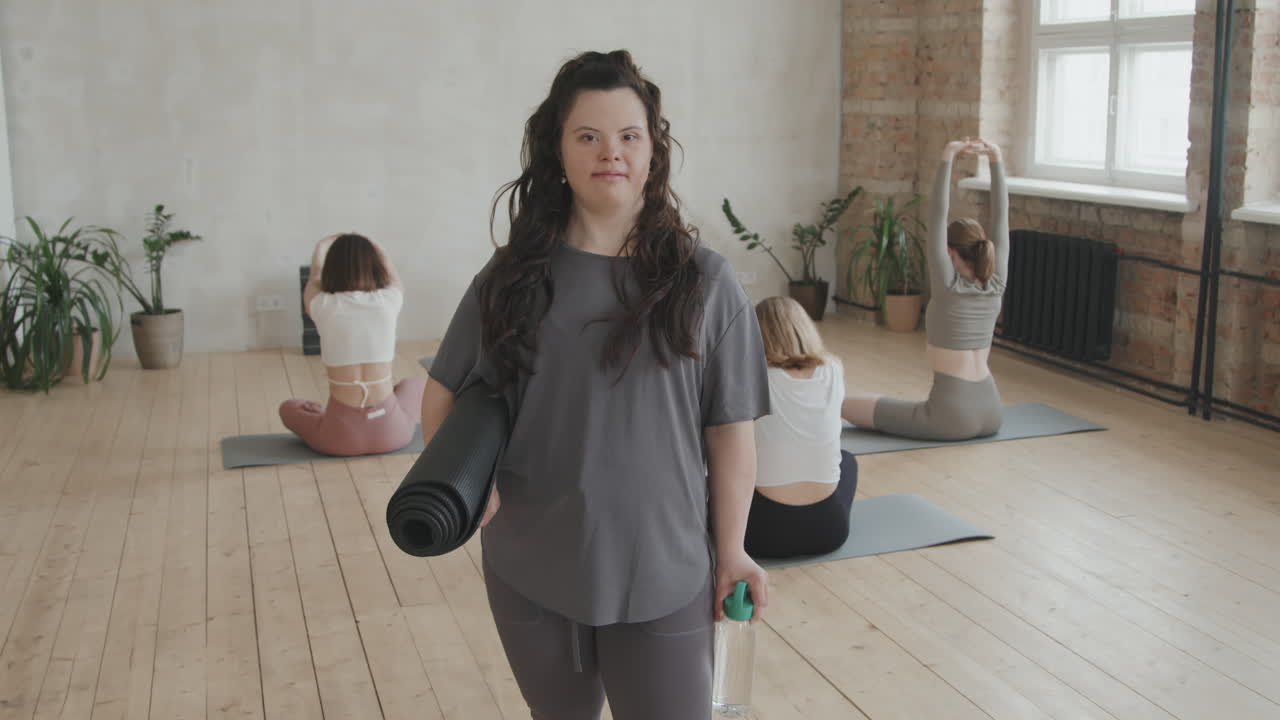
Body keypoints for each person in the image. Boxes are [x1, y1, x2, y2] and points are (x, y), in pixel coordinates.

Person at [423, 50, 770, 720]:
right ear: (557, 151)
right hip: (532, 563)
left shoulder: (705, 281)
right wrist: (468, 488)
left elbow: (731, 431)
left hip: (664, 567)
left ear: (652, 152)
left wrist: (732, 549)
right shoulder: (511, 279)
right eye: (588, 136)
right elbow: (441, 395)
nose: (611, 152)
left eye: (629, 135)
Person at [843, 138, 1009, 441]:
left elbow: (936, 215)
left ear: (950, 253)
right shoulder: (996, 283)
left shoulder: (948, 285)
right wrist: (996, 158)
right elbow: (1001, 218)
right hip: (992, 410)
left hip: (951, 416)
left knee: (844, 405)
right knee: (885, 407)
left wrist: (948, 155)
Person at [278, 232, 424, 455]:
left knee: (288, 408)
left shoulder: (322, 304)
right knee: (415, 384)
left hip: (339, 437)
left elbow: (314, 280)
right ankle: (391, 407)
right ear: (375, 266)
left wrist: (320, 248)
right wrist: (378, 247)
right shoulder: (389, 300)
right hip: (393, 433)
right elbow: (394, 278)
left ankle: (321, 415)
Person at [745, 296, 858, 559]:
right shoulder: (833, 367)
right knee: (848, 461)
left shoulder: (753, 376)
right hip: (830, 531)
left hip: (762, 536)